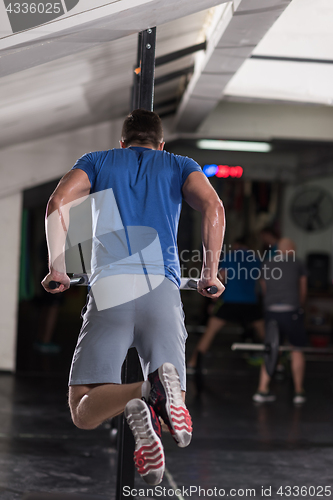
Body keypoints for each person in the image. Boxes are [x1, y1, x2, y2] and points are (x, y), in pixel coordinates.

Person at [41, 109, 225, 485]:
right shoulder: (179, 164)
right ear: (161, 144)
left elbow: (58, 202)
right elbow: (213, 207)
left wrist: (57, 266)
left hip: (112, 289)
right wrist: (209, 273)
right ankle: (155, 396)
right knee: (177, 411)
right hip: (163, 292)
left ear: (121, 142)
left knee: (84, 410)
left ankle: (144, 390)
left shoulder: (97, 161)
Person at [188, 238, 264, 371]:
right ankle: (279, 363)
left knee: (209, 333)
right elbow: (261, 283)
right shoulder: (256, 259)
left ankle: (192, 364)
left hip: (230, 301)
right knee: (267, 337)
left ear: (237, 245)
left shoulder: (229, 257)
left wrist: (214, 300)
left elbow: (221, 278)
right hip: (250, 302)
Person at [253, 238, 307, 405]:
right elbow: (303, 288)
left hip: (271, 312)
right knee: (296, 350)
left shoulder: (267, 263)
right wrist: (300, 307)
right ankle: (298, 392)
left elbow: (263, 288)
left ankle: (262, 390)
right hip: (291, 311)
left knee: (270, 349)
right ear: (290, 249)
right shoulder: (297, 263)